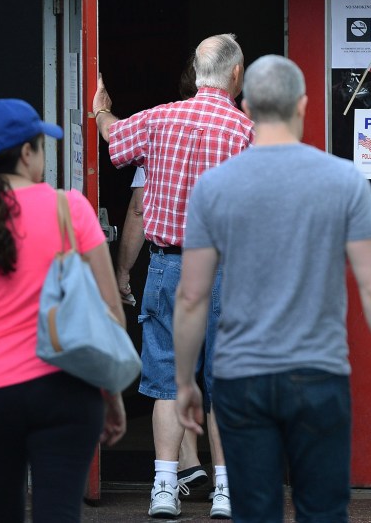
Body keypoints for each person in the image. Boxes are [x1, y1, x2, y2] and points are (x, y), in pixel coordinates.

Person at [173, 55, 371, 522]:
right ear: (302, 105)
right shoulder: (344, 181)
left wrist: (184, 381)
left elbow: (192, 296)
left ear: (247, 106)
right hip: (318, 374)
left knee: (254, 512)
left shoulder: (214, 187)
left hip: (242, 377)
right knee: (322, 511)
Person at [0, 99, 128, 522]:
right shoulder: (70, 208)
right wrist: (112, 393)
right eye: (41, 146)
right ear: (27, 153)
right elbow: (110, 310)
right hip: (68, 389)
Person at [93, 34, 254, 519]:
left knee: (165, 377)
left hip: (168, 264)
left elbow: (112, 137)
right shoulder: (245, 132)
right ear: (235, 75)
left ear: (197, 72)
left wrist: (101, 108)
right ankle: (225, 491)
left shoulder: (161, 118)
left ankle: (163, 488)